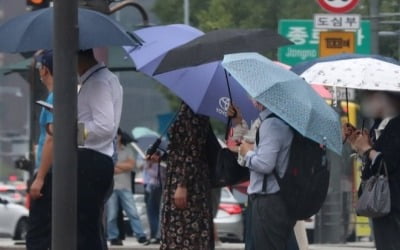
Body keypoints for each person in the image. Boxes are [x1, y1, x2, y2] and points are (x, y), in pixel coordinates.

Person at [229, 101, 295, 250]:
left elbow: (265, 164)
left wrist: (247, 153)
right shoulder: (276, 121)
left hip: (268, 200)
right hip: (273, 198)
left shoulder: (271, 124)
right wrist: (239, 123)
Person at [77, 49, 123, 250]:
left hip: (91, 158)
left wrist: (74, 131)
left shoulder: (98, 82)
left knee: (86, 227)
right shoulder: (105, 79)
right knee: (91, 226)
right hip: (97, 158)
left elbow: (104, 126)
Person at [344, 91, 400, 250]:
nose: (366, 103)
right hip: (381, 205)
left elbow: (387, 164)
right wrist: (358, 144)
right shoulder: (377, 124)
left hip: (392, 204)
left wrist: (367, 149)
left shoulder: (396, 125)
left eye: (372, 97)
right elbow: (373, 164)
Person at [159, 102, 214, 250]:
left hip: (188, 182)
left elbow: (193, 151)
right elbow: (180, 149)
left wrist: (182, 184)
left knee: (186, 234)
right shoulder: (185, 107)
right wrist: (162, 156)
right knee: (178, 234)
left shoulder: (194, 111)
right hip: (179, 176)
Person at [26, 50, 54, 250]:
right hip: (58, 171)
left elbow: (52, 140)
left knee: (37, 234)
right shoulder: (71, 95)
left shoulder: (54, 99)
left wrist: (40, 177)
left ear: (44, 70)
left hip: (49, 173)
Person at [106, 129, 148, 246]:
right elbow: (109, 167)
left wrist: (115, 164)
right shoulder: (108, 151)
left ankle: (141, 235)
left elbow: (131, 165)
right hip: (112, 187)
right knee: (112, 215)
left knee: (133, 212)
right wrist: (121, 166)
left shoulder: (128, 149)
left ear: (120, 136)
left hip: (125, 187)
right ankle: (113, 236)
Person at [143, 152, 164, 244]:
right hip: (151, 187)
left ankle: (157, 235)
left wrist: (152, 166)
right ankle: (153, 234)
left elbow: (159, 175)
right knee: (150, 211)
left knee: (157, 211)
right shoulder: (150, 162)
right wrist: (149, 163)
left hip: (159, 188)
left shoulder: (162, 164)